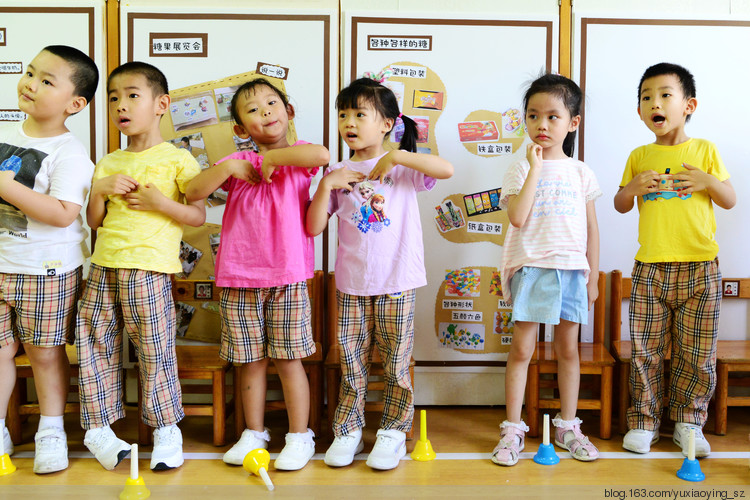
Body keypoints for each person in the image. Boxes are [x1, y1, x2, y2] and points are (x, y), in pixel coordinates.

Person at [307, 73, 453, 471]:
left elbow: (446, 170)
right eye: (343, 115)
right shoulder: (336, 171)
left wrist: (397, 155)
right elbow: (314, 227)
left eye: (359, 114)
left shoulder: (404, 167)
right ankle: (348, 429)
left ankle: (392, 430)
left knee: (395, 360)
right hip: (352, 283)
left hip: (398, 281)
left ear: (387, 123)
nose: (348, 123)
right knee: (351, 361)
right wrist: (326, 187)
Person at [185, 78, 329, 471]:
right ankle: (254, 432)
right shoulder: (238, 165)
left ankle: (299, 436)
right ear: (239, 129)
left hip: (287, 277)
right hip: (238, 278)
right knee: (249, 361)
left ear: (289, 112)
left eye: (272, 103)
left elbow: (321, 153)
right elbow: (193, 192)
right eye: (252, 110)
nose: (265, 112)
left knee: (288, 358)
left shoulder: (298, 156)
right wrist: (233, 164)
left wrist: (274, 160)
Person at [76, 61, 206, 472]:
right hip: (102, 266)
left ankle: (167, 430)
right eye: (114, 98)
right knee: (93, 341)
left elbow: (198, 216)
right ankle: (98, 427)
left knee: (155, 349)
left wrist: (160, 204)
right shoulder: (109, 161)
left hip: (148, 269)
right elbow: (94, 220)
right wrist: (98, 189)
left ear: (161, 104)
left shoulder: (178, 159)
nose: (121, 105)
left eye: (133, 95)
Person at [614, 63, 736, 457]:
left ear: (689, 105)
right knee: (645, 350)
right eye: (647, 97)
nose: (655, 103)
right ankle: (644, 422)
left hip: (701, 266)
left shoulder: (705, 151)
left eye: (666, 94)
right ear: (639, 112)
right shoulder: (638, 155)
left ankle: (689, 422)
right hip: (650, 266)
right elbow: (619, 205)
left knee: (697, 352)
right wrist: (632, 188)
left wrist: (708, 182)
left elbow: (729, 199)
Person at [494, 73, 601, 466]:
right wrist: (534, 170)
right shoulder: (519, 170)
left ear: (573, 122)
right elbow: (518, 218)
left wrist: (592, 277)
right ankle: (512, 428)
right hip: (531, 268)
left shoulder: (581, 172)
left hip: (572, 270)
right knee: (522, 349)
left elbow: (592, 228)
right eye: (534, 115)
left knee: (567, 350)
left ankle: (568, 425)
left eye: (553, 116)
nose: (542, 124)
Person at [0, 45, 98, 474]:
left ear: (74, 104)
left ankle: (51, 430)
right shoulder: (6, 135)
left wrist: (5, 187)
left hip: (45, 271)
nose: (30, 84)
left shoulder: (71, 153)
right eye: (30, 72)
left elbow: (63, 215)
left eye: (46, 81)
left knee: (44, 353)